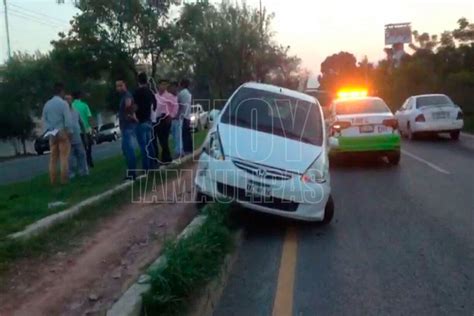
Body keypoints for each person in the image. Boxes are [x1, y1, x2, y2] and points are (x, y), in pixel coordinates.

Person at [42, 82, 73, 185]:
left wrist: (48, 130)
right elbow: (68, 120)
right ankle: (64, 179)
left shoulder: (47, 104)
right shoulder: (63, 104)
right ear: (61, 91)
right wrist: (69, 132)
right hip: (62, 130)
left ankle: (53, 180)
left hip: (52, 132)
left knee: (53, 158)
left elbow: (44, 120)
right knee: (64, 157)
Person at [133, 72, 157, 171]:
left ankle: (146, 167)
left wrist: (134, 116)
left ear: (138, 81)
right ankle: (153, 164)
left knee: (143, 146)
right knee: (149, 144)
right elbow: (155, 104)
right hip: (148, 120)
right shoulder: (149, 91)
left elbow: (133, 106)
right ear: (146, 81)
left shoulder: (136, 92)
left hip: (140, 121)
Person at [116, 77, 138, 180]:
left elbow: (129, 107)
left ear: (125, 85)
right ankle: (131, 171)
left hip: (127, 126)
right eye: (117, 86)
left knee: (129, 150)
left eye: (121, 85)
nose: (119, 88)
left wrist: (128, 116)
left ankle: (132, 173)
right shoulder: (123, 96)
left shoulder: (127, 95)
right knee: (126, 149)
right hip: (125, 126)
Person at [154, 79, 178, 164]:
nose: (163, 86)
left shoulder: (169, 96)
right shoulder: (155, 96)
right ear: (158, 85)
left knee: (164, 138)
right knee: (161, 139)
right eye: (162, 84)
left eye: (165, 85)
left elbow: (175, 106)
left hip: (166, 118)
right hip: (157, 119)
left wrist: (171, 116)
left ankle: (167, 158)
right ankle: (165, 158)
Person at [65, 94, 88, 178]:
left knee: (81, 154)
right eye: (66, 99)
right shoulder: (63, 113)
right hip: (68, 138)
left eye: (69, 99)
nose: (68, 101)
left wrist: (84, 134)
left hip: (77, 136)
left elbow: (81, 123)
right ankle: (71, 174)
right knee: (70, 158)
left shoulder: (75, 111)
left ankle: (84, 171)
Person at [72, 91, 94, 168]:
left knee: (78, 149)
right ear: (80, 96)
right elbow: (89, 117)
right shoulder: (84, 105)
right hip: (86, 129)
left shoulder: (71, 106)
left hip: (76, 131)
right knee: (88, 147)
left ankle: (81, 164)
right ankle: (89, 162)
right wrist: (93, 128)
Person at [169, 81, 184, 159]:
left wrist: (178, 115)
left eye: (174, 87)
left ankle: (179, 152)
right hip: (172, 119)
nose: (173, 88)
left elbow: (181, 106)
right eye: (172, 87)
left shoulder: (178, 96)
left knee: (178, 136)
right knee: (174, 136)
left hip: (177, 119)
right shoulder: (170, 97)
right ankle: (179, 150)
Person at [178, 78, 194, 154]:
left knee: (184, 134)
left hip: (183, 116)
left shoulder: (181, 94)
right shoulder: (189, 94)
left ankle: (186, 150)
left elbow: (179, 104)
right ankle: (190, 149)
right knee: (188, 133)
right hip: (188, 115)